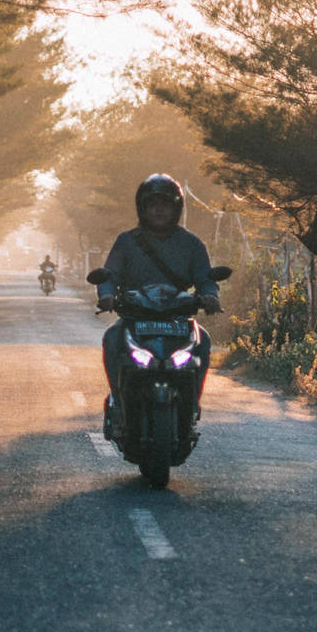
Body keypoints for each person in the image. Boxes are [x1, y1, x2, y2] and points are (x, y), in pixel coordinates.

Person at [95, 173, 220, 438]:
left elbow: (206, 278)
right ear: (143, 208)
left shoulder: (192, 244)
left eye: (166, 204)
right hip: (136, 317)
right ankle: (119, 402)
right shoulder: (127, 241)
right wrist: (106, 295)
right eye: (153, 204)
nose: (160, 209)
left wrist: (210, 296)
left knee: (204, 341)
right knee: (112, 337)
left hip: (177, 319)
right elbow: (110, 275)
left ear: (176, 208)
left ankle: (193, 403)